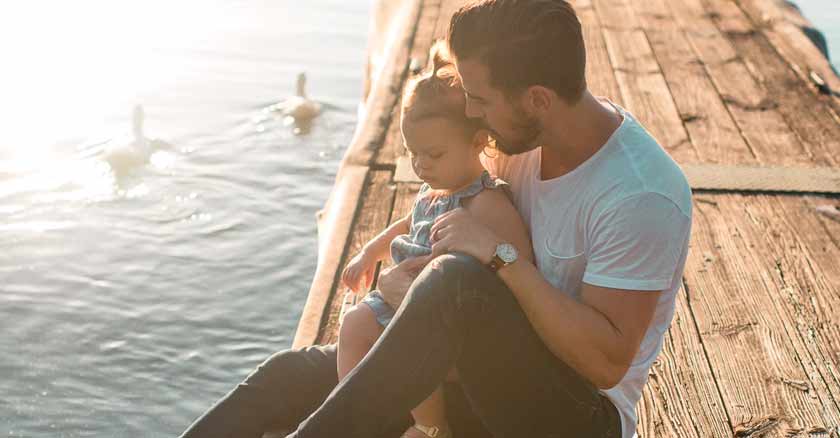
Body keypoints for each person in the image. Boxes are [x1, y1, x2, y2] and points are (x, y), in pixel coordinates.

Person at [179, 1, 692, 437]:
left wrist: (498, 259)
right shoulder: (522, 139)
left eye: (480, 99)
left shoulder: (640, 194)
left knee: (457, 281)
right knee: (289, 376)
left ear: (537, 100)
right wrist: (413, 287)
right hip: (471, 369)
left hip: (573, 413)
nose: (468, 113)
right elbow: (446, 212)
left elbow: (605, 363)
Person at [337, 41, 533, 438]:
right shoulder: (433, 194)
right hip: (404, 294)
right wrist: (368, 254)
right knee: (353, 325)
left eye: (435, 155)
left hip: (441, 310)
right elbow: (405, 226)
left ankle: (432, 426)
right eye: (414, 154)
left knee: (412, 353)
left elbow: (519, 262)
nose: (422, 165)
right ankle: (353, 410)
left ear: (479, 142)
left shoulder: (485, 201)